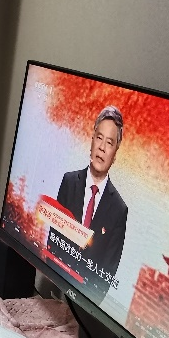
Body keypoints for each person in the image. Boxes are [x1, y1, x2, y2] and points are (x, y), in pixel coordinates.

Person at [51, 105, 128, 304]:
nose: (102, 147)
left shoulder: (119, 209)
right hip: (55, 290)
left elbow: (107, 272)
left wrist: (86, 307)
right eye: (99, 138)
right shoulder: (69, 182)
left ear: (115, 153)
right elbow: (54, 238)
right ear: (92, 140)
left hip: (84, 306)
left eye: (109, 143)